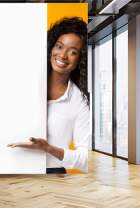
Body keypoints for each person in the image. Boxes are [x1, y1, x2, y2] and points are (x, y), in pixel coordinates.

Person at [7, 17, 90, 173]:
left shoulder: (79, 102)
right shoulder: (22, 79)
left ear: (81, 59)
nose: (63, 55)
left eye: (73, 52)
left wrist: (48, 148)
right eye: (59, 46)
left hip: (51, 174)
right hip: (9, 169)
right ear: (51, 47)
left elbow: (86, 158)